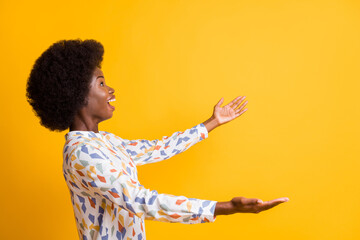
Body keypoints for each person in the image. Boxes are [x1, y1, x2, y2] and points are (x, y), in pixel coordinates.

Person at [26, 39, 289, 240]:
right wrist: (225, 207)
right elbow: (141, 201)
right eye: (102, 83)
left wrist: (211, 123)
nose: (111, 90)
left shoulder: (101, 141)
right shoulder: (81, 155)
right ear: (77, 96)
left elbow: (156, 149)